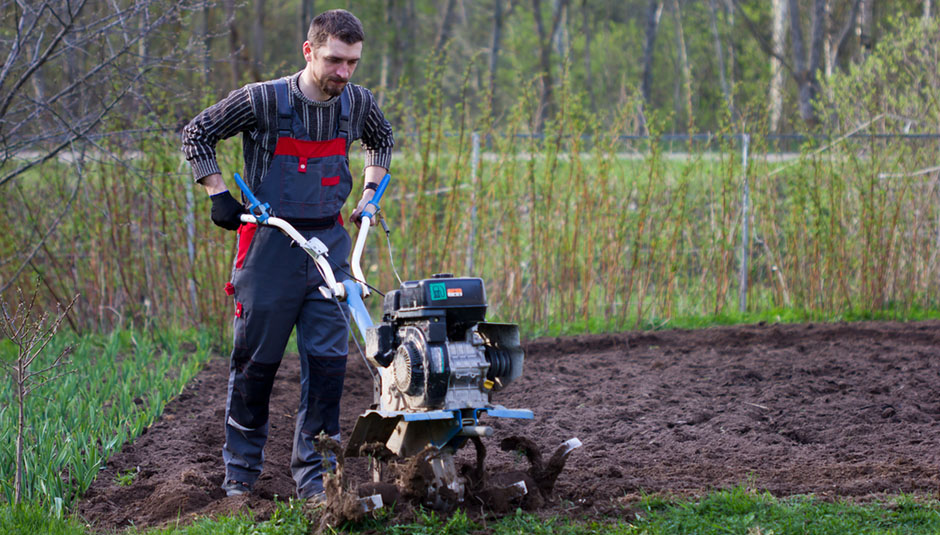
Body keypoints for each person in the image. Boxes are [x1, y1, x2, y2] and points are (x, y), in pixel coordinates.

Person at [180, 9, 393, 501]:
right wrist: (216, 193)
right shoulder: (263, 100)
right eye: (335, 60)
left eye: (353, 63)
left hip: (330, 246)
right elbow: (197, 133)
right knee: (256, 365)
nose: (344, 72)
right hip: (270, 244)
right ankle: (240, 473)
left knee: (328, 367)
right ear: (309, 50)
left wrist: (368, 195)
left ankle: (316, 477)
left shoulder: (357, 104)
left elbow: (381, 141)